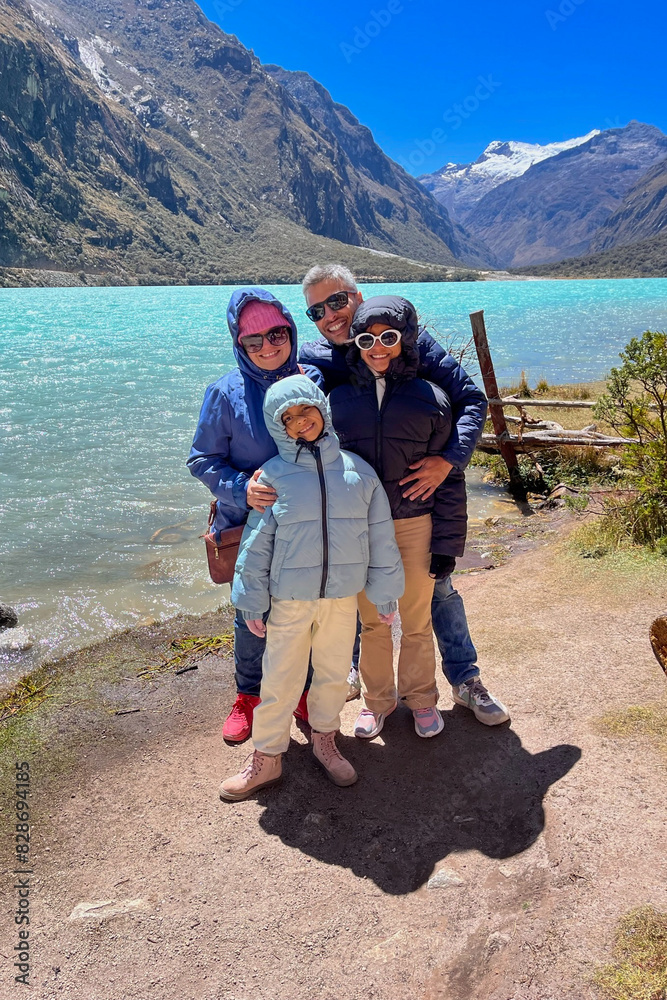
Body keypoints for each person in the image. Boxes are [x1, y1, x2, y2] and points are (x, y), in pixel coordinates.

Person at [300, 264, 510, 726]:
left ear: (357, 296)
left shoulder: (414, 345)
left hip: (417, 511)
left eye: (337, 301)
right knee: (365, 605)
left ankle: (463, 678)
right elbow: (296, 420)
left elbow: (470, 400)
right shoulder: (315, 360)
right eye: (317, 309)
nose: (330, 315)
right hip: (361, 518)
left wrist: (449, 459)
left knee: (439, 591)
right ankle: (370, 685)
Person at [220, 375, 404, 801]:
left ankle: (325, 740)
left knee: (333, 675)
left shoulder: (359, 474)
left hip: (341, 599)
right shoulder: (273, 476)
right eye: (288, 418)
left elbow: (380, 537)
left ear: (323, 410)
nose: (300, 422)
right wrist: (251, 601)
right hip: (289, 600)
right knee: (279, 678)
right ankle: (266, 758)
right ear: (277, 426)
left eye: (307, 411)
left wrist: (384, 591)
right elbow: (255, 544)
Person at [187, 288, 323, 744]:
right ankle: (248, 695)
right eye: (253, 340)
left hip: (305, 525)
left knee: (304, 610)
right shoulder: (224, 393)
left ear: (290, 330)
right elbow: (202, 460)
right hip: (247, 526)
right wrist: (242, 489)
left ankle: (301, 691)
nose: (267, 346)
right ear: (238, 343)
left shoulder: (313, 382)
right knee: (251, 613)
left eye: (277, 333)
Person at [330, 296, 457, 739]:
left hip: (415, 523)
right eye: (367, 338)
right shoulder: (339, 401)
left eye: (389, 337)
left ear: (406, 339)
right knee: (372, 623)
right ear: (356, 343)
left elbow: (449, 481)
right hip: (363, 530)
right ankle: (376, 702)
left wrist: (447, 545)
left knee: (417, 621)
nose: (378, 347)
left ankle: (422, 699)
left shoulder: (432, 400)